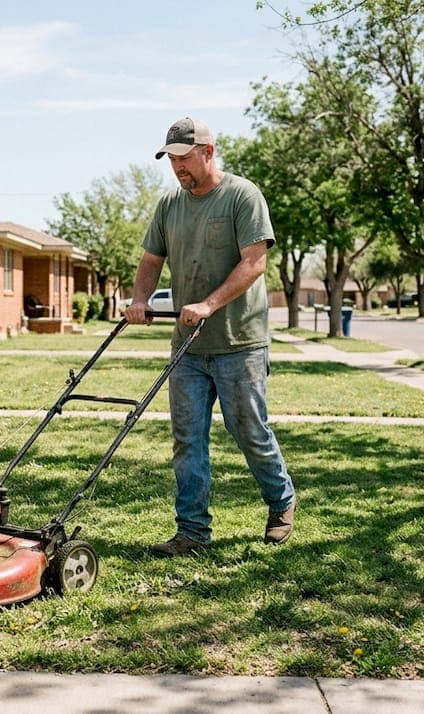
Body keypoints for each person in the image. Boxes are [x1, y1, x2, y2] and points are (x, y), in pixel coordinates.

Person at [124, 117, 295, 556]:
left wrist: (208, 304)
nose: (177, 167)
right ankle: (193, 532)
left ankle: (281, 501)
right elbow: (150, 260)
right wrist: (140, 299)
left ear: (208, 152)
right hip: (188, 347)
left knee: (250, 431)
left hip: (240, 341)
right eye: (171, 159)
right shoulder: (169, 206)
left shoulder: (242, 196)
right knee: (188, 439)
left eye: (184, 158)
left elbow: (254, 263)